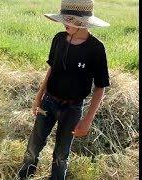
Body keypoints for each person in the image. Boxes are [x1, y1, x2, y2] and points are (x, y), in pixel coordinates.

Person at [18, 0, 110, 179]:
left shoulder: (96, 49)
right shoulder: (59, 39)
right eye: (64, 20)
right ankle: (23, 176)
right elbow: (51, 68)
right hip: (48, 102)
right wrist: (39, 96)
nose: (64, 24)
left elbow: (100, 87)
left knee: (61, 155)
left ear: (83, 22)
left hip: (73, 108)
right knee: (33, 146)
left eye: (69, 21)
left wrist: (87, 120)